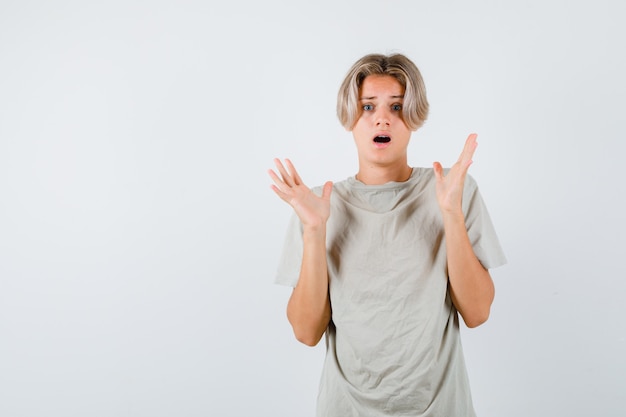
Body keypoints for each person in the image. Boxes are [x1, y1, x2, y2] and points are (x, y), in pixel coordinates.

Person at [268, 53, 506, 417]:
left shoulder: (452, 190)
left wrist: (450, 214)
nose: (382, 118)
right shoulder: (315, 206)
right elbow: (306, 332)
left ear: (414, 117)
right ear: (350, 117)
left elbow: (477, 312)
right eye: (368, 106)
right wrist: (315, 230)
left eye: (397, 107)